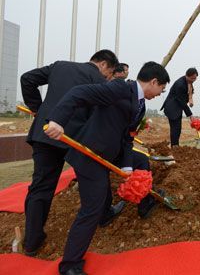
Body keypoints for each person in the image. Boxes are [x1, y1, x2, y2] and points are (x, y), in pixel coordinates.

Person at [44, 61, 169, 275]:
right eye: (161, 89)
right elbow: (78, 93)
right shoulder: (121, 88)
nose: (160, 94)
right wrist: (57, 120)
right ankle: (70, 265)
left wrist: (128, 166)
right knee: (92, 207)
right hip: (90, 155)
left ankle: (144, 202)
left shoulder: (140, 105)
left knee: (140, 161)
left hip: (111, 150)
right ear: (154, 82)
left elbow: (128, 138)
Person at [19, 49, 119, 257]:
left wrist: (39, 110)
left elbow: (27, 79)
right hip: (75, 138)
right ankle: (104, 214)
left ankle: (32, 241)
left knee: (41, 186)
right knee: (96, 176)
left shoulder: (60, 66)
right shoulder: (99, 80)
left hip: (46, 132)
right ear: (103, 65)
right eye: (109, 73)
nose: (108, 78)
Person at [160, 68, 197, 146]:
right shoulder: (180, 84)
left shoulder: (188, 82)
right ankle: (174, 146)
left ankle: (175, 145)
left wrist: (190, 100)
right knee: (175, 129)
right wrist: (190, 115)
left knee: (178, 129)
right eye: (192, 78)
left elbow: (190, 92)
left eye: (195, 78)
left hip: (178, 108)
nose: (194, 80)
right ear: (187, 75)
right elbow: (181, 101)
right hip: (172, 108)